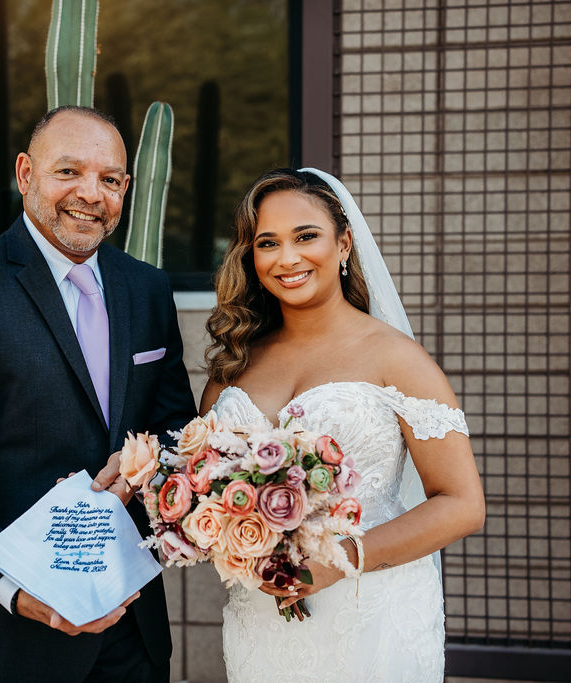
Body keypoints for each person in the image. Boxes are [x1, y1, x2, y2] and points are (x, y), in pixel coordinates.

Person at [0, 106, 197, 682]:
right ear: (25, 174)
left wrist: (147, 467)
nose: (91, 193)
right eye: (69, 172)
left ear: (126, 189)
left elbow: (174, 428)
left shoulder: (148, 288)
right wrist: (17, 590)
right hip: (7, 639)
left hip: (130, 632)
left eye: (110, 179)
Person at [199, 168, 485, 682]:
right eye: (268, 243)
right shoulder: (236, 362)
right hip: (261, 617)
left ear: (345, 242)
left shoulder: (398, 359)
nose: (288, 258)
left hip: (370, 611)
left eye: (306, 236)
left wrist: (341, 559)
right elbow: (203, 482)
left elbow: (462, 504)